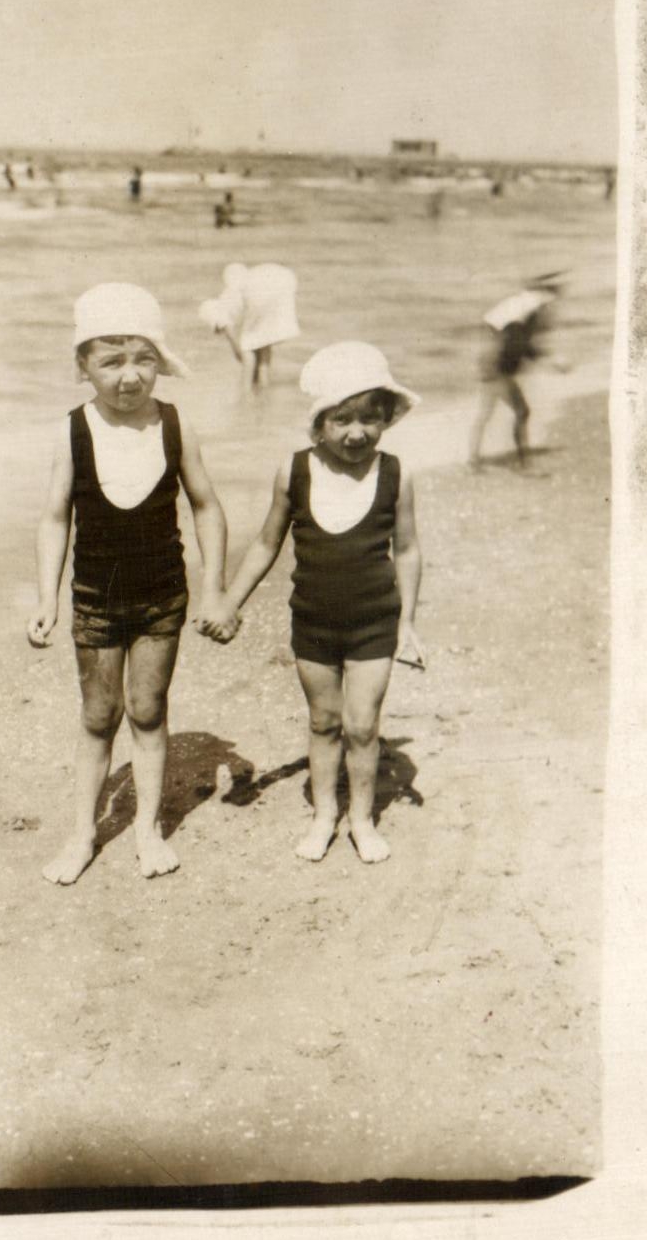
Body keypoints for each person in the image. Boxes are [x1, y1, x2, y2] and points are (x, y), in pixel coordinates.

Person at [28, 283, 232, 885]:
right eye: (110, 361)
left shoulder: (173, 424)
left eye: (143, 359)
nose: (129, 376)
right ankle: (84, 832)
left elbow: (208, 507)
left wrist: (215, 586)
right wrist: (47, 596)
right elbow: (52, 517)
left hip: (163, 596)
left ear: (160, 362)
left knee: (147, 710)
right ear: (82, 366)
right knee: (98, 715)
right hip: (94, 599)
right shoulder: (73, 430)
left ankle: (146, 827)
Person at [202, 343, 423, 866]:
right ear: (318, 424)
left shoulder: (395, 474)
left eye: (370, 418)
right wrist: (229, 603)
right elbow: (264, 544)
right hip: (314, 623)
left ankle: (362, 820)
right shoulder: (295, 471)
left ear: (387, 419)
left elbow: (409, 551)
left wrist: (408, 624)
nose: (356, 432)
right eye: (341, 419)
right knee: (324, 722)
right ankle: (325, 816)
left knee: (363, 726)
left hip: (375, 622)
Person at [469, 273, 564, 471]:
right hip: (498, 371)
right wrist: (548, 361)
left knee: (486, 413)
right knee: (522, 412)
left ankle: (473, 460)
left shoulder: (514, 314)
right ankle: (524, 464)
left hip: (489, 367)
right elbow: (519, 346)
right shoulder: (524, 318)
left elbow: (514, 344)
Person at [199, 262, 300, 392]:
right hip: (284, 280)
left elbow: (238, 349)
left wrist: (241, 353)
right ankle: (263, 385)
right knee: (264, 340)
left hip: (264, 289)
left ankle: (246, 391)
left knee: (247, 347)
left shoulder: (218, 310)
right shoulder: (244, 282)